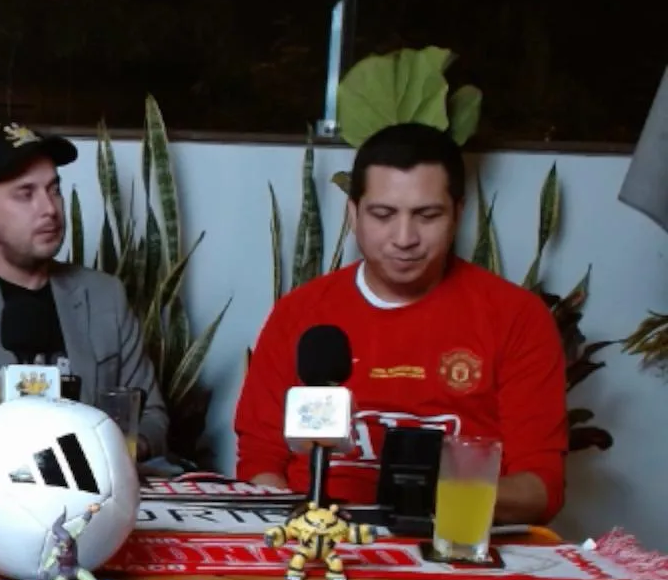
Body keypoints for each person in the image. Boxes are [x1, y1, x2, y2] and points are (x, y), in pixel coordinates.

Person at [234, 122, 569, 525]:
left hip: (449, 540)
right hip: (314, 537)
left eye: (427, 215)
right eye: (383, 215)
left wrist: (423, 495)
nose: (404, 237)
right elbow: (260, 461)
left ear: (458, 214)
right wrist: (297, 532)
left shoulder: (517, 317)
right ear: (354, 214)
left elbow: (541, 487)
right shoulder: (299, 312)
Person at [0, 122, 168, 459]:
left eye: (54, 190)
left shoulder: (105, 295)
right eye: (26, 194)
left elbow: (151, 417)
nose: (49, 208)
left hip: (92, 486)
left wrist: (116, 452)